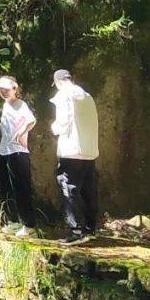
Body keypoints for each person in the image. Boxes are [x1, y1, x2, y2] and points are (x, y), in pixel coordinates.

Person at [50, 69, 99, 244]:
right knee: (88, 189)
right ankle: (90, 228)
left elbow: (63, 123)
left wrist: (53, 128)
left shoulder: (65, 95)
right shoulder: (87, 96)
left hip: (71, 150)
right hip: (89, 151)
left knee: (68, 187)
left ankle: (76, 230)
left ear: (58, 82)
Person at [0, 76, 37, 236]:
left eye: (6, 90)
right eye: (1, 90)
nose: (3, 92)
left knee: (21, 188)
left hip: (18, 152)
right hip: (4, 151)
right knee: (6, 188)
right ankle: (12, 221)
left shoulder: (21, 105)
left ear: (15, 89)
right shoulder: (6, 106)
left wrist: (22, 133)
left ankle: (29, 226)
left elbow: (32, 121)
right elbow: (5, 128)